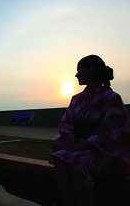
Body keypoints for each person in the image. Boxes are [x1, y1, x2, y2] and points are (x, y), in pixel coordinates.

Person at [49, 55, 130, 206]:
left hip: (106, 156)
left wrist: (76, 147)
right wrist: (65, 144)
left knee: (77, 160)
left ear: (90, 70)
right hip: (81, 149)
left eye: (79, 70)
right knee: (59, 157)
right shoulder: (76, 99)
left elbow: (111, 133)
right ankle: (68, 202)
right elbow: (67, 127)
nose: (76, 74)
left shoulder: (112, 98)